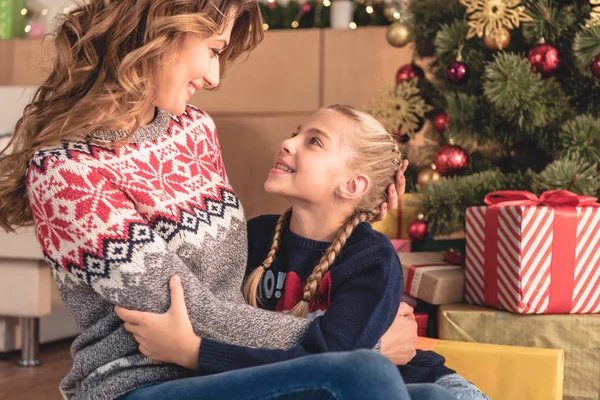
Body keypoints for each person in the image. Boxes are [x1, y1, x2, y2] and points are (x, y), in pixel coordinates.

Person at [0, 0, 451, 399]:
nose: (215, 77)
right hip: (143, 381)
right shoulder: (65, 173)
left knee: (440, 398)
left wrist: (350, 213)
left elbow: (235, 271)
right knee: (366, 375)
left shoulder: (193, 128)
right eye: (214, 50)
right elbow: (191, 311)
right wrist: (359, 342)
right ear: (162, 30)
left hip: (236, 365)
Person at [117, 106, 488, 400]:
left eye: (314, 141)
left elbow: (326, 359)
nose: (288, 143)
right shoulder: (254, 236)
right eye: (295, 133)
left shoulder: (371, 258)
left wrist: (194, 352)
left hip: (424, 385)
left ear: (352, 185)